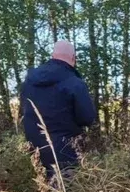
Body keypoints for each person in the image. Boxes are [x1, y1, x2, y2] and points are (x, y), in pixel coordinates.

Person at [20, 40, 96, 182]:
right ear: (73, 58)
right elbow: (87, 118)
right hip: (64, 152)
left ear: (53, 55)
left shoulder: (29, 81)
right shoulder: (75, 82)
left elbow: (24, 111)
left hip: (34, 150)